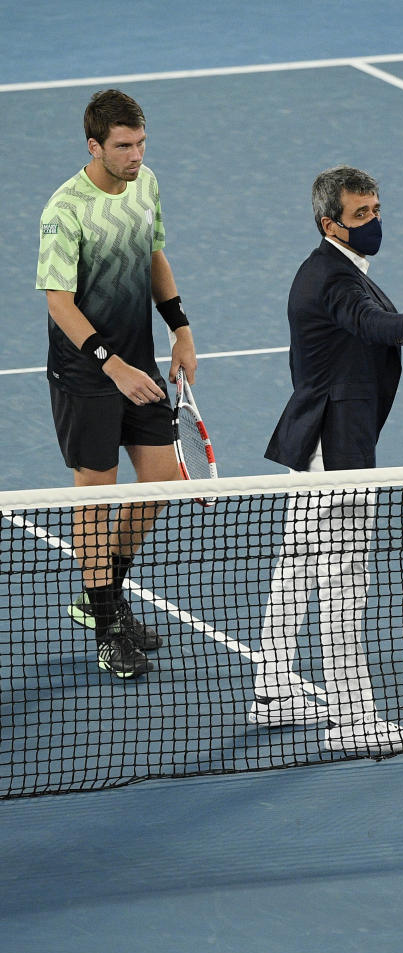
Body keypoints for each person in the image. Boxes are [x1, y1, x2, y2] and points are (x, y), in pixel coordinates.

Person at [248, 165, 403, 757]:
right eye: (361, 215)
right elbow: (368, 323)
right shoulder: (335, 280)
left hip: (320, 441)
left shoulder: (334, 268)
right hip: (334, 448)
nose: (374, 222)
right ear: (328, 223)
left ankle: (272, 687)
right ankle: (354, 712)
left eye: (376, 210)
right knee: (344, 578)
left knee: (296, 566)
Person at [36, 89, 198, 681]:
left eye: (141, 143)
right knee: (94, 497)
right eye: (124, 146)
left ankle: (102, 598)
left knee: (157, 484)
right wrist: (111, 364)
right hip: (88, 374)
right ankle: (108, 624)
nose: (135, 156)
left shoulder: (146, 184)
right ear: (95, 146)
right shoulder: (65, 209)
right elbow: (59, 301)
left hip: (140, 362)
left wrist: (180, 328)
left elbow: (155, 255)